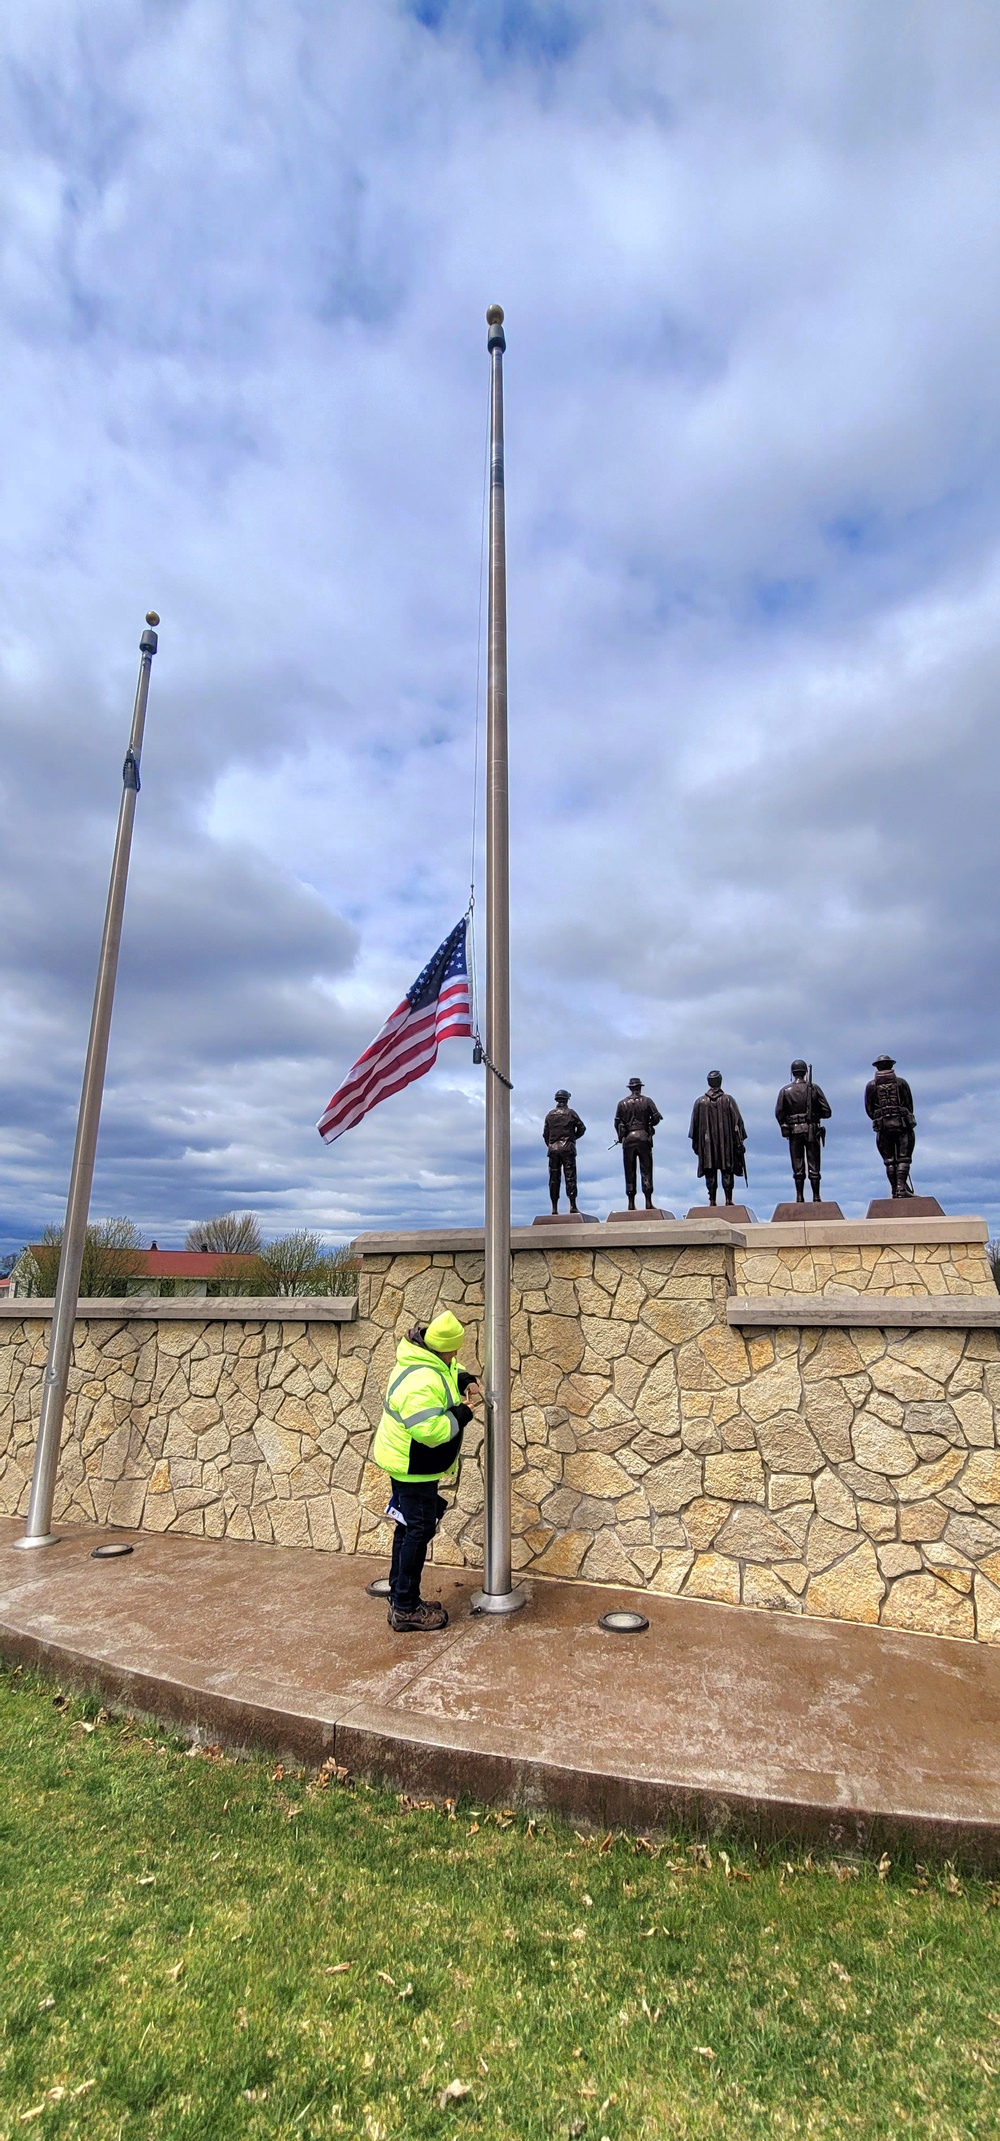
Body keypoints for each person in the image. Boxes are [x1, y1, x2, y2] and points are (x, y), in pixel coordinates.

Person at [372, 1309, 478, 1632]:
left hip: (410, 1464)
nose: (457, 1354)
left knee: (407, 1527)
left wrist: (467, 1380)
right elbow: (429, 1430)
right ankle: (405, 1607)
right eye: (454, 1349)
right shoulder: (420, 1378)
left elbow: (450, 1371)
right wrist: (462, 1414)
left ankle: (399, 1593)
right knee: (418, 1530)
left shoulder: (431, 1358)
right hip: (412, 1467)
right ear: (441, 1346)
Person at [775, 1061, 832, 1202]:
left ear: (792, 1073)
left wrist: (786, 1124)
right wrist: (814, 1114)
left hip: (794, 1131)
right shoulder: (814, 1089)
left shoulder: (785, 1091)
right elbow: (827, 1112)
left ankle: (799, 1196)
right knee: (814, 1165)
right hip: (811, 1129)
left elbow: (779, 1113)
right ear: (805, 1072)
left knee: (797, 1165)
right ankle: (816, 1196)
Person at [689, 1071, 747, 1207]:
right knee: (727, 1170)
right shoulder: (728, 1100)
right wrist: (739, 1141)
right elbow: (738, 1122)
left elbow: (694, 1128)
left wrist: (697, 1144)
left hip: (708, 1145)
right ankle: (728, 1199)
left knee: (711, 1171)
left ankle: (712, 1200)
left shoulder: (700, 1102)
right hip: (725, 1145)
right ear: (720, 1081)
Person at [865, 1055, 916, 1198]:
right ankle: (901, 1188)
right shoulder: (901, 1083)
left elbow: (869, 1110)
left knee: (889, 1161)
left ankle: (896, 1189)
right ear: (891, 1066)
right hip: (902, 1125)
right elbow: (909, 1105)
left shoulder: (871, 1086)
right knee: (903, 1158)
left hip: (883, 1126)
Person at [613, 1077, 663, 1210]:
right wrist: (650, 1125)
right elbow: (657, 1117)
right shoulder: (647, 1101)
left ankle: (631, 1202)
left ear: (630, 1088)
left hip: (629, 1138)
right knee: (646, 1169)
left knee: (629, 1170)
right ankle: (648, 1201)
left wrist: (620, 1136)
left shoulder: (622, 1104)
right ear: (640, 1087)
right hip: (643, 1137)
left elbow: (617, 1122)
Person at [542, 1089, 587, 1215]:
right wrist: (572, 1138)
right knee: (570, 1176)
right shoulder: (571, 1113)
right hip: (567, 1148)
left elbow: (545, 1134)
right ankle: (572, 1205)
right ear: (567, 1100)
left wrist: (551, 1144)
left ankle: (554, 1207)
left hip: (553, 1149)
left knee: (553, 1179)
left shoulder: (550, 1115)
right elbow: (582, 1128)